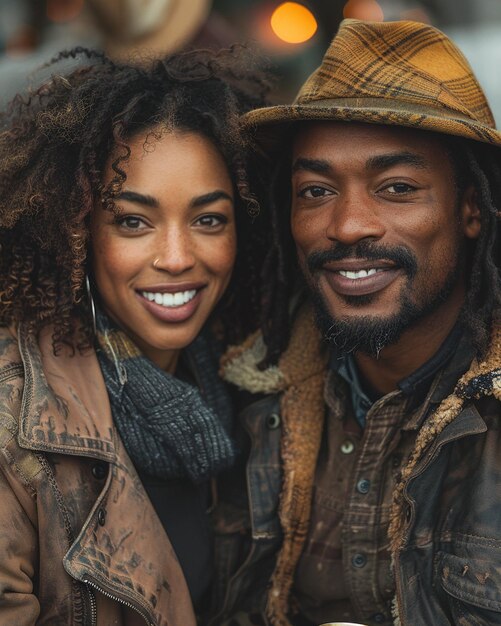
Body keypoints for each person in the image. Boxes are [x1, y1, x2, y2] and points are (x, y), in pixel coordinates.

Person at [212, 18, 501, 626]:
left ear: (471, 209)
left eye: (397, 187)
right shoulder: (241, 387)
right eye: (315, 191)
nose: (347, 226)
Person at [0, 46, 269, 625]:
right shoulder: (13, 428)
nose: (176, 258)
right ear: (77, 231)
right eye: (132, 221)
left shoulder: (248, 386)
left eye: (208, 219)